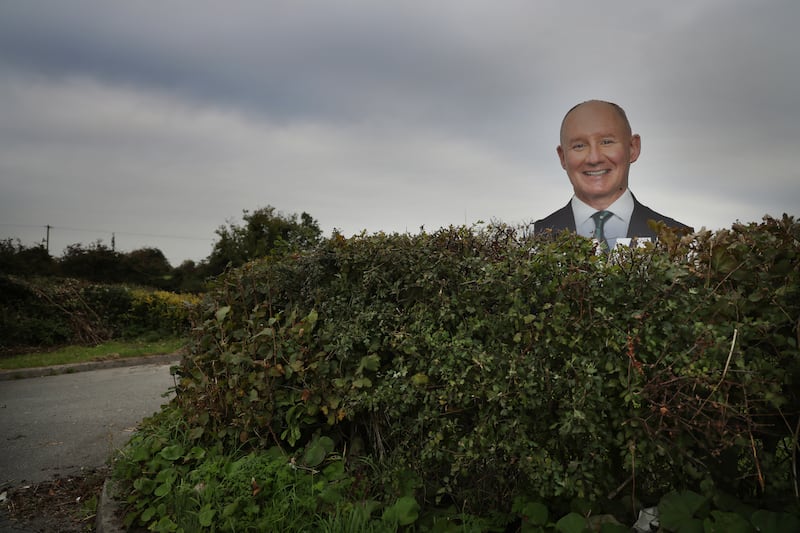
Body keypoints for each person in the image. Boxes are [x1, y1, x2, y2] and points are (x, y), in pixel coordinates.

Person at [534, 100, 691, 247]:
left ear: (633, 148)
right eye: (579, 146)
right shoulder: (530, 240)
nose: (594, 158)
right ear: (562, 157)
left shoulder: (680, 241)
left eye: (606, 142)